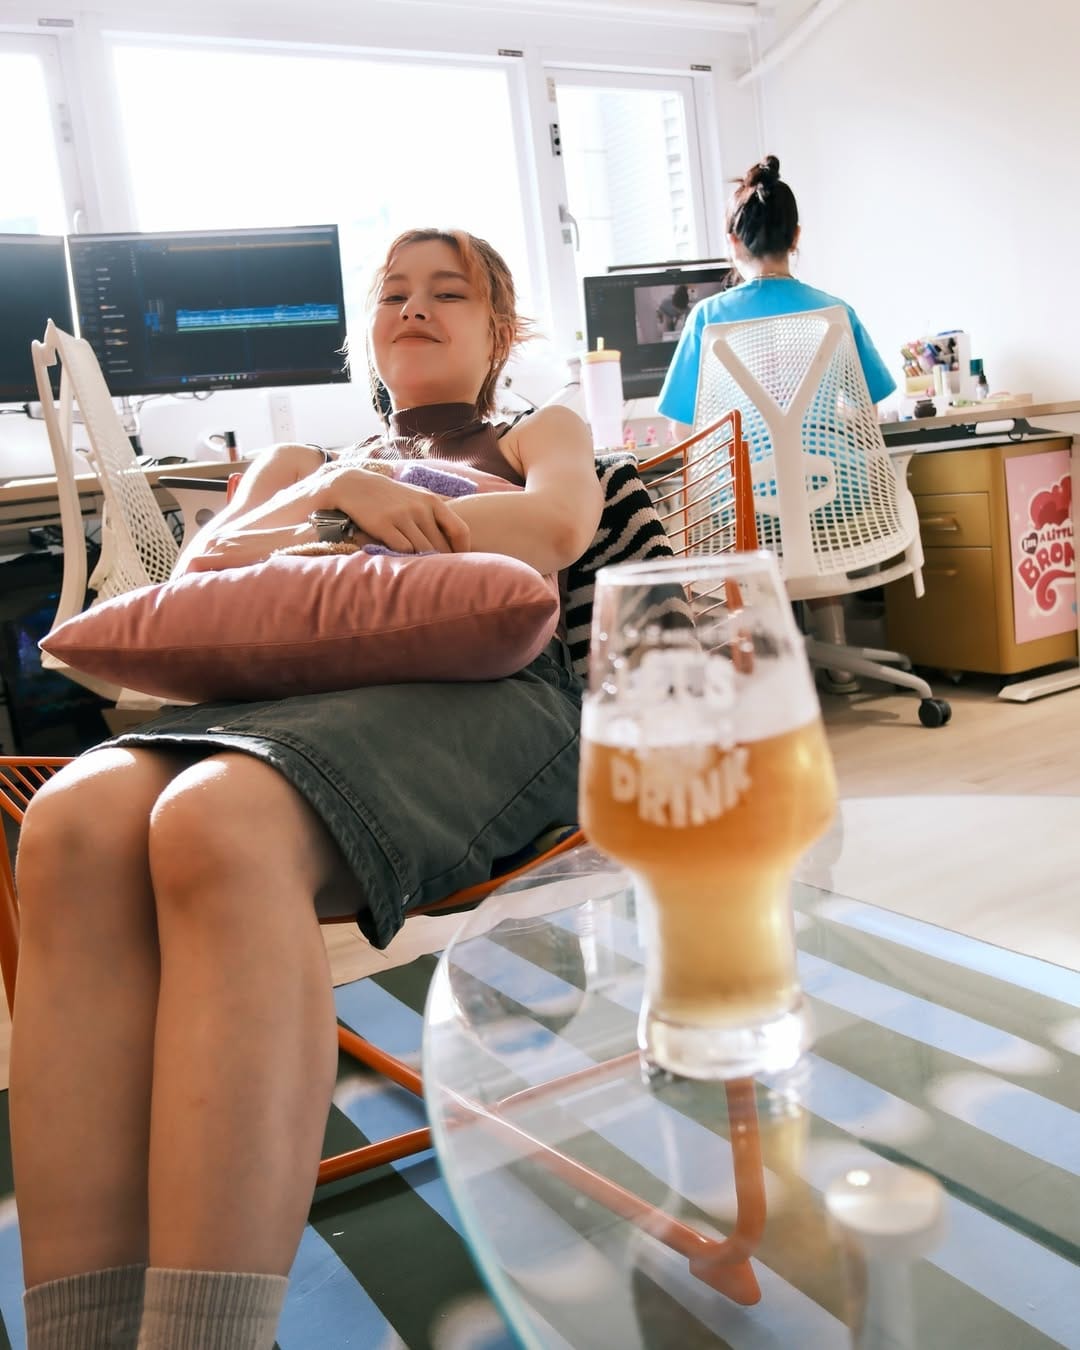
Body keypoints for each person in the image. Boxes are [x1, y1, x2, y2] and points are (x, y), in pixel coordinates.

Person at [10, 227, 602, 1350]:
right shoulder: (299, 462)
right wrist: (339, 489)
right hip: (284, 695)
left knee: (216, 821)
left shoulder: (538, 432)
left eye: (448, 293)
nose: (414, 308)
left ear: (499, 335)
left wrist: (349, 523)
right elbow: (204, 577)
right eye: (393, 294)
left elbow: (552, 529)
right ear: (366, 333)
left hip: (483, 694)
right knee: (70, 822)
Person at [658, 154, 895, 433]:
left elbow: (682, 429)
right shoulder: (838, 312)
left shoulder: (707, 316)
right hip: (827, 462)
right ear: (795, 236)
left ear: (733, 242)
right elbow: (868, 414)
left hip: (743, 463)